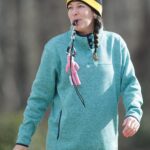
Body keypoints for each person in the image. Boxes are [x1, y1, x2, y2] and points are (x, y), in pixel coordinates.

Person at [13, 0, 143, 150]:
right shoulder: (55, 48)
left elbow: (130, 85)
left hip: (105, 146)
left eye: (80, 6)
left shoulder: (116, 44)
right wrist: (23, 141)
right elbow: (39, 98)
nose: (74, 12)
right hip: (62, 146)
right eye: (70, 7)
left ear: (95, 12)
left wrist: (133, 113)